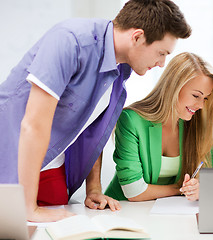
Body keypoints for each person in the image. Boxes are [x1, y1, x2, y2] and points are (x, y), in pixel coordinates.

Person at [0, 0, 191, 222]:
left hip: (51, 166)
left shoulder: (121, 72)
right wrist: (27, 207)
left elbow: (93, 131)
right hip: (11, 157)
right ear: (137, 37)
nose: (161, 63)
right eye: (161, 52)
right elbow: (33, 125)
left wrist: (94, 189)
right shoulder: (70, 41)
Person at [105, 52, 213, 201]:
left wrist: (199, 187)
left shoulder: (197, 125)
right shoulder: (131, 120)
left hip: (169, 214)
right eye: (196, 96)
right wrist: (181, 189)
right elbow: (134, 191)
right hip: (123, 211)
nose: (200, 106)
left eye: (205, 98)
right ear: (174, 87)